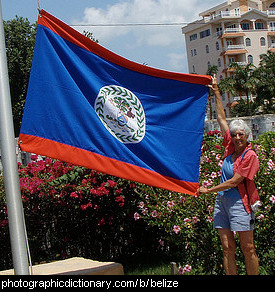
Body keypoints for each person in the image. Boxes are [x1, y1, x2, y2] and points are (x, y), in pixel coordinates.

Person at [197, 75, 260, 275]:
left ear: (247, 135)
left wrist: (209, 189)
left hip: (240, 203)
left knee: (248, 248)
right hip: (222, 203)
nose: (237, 137)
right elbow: (222, 119)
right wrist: (216, 91)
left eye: (241, 134)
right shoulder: (229, 148)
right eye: (234, 134)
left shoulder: (250, 156)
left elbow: (234, 181)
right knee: (227, 248)